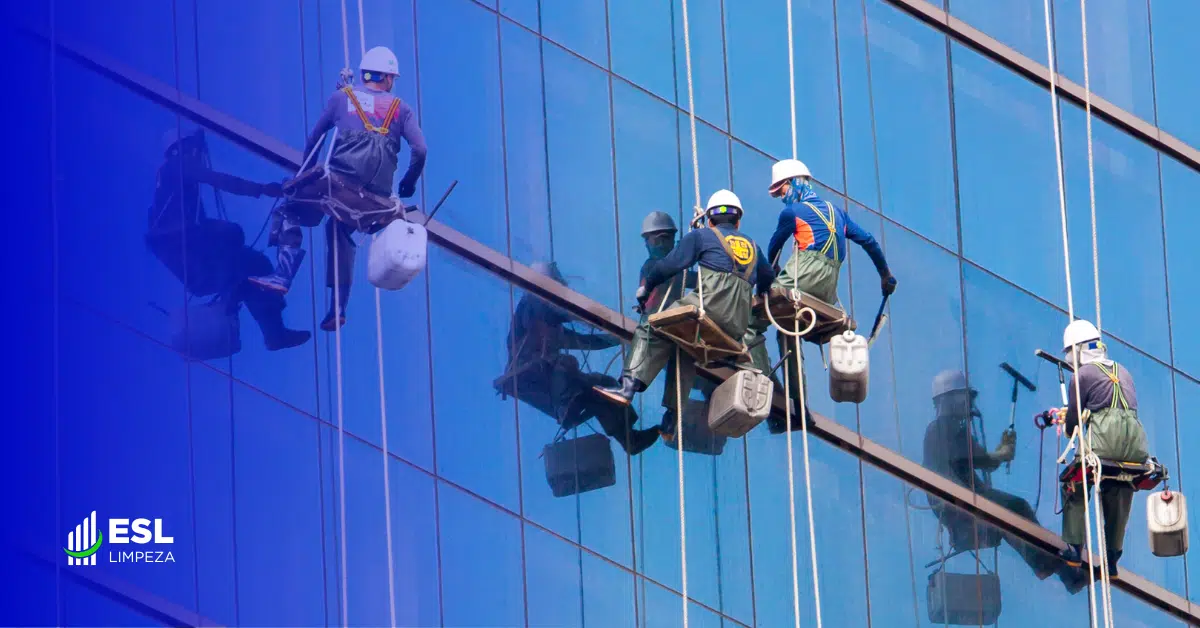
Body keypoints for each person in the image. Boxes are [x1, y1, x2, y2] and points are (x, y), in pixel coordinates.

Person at [250, 45, 428, 332]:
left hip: (338, 186)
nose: (392, 83)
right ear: (386, 78)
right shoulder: (401, 109)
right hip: (376, 201)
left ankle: (283, 276)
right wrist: (408, 183)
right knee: (340, 228)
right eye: (392, 78)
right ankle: (338, 308)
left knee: (289, 208)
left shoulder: (340, 99)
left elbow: (315, 140)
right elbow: (420, 149)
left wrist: (302, 176)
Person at [594, 190, 775, 434]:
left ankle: (628, 386)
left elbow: (669, 265)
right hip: (736, 327)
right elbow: (767, 280)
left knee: (652, 325)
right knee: (685, 347)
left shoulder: (701, 236)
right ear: (738, 221)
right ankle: (673, 414)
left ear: (710, 220)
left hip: (708, 309)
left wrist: (646, 288)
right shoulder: (754, 247)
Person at [747, 158, 896, 430]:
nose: (782, 198)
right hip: (827, 288)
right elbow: (869, 241)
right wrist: (885, 275)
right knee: (787, 329)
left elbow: (773, 247)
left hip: (802, 277)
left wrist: (767, 280)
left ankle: (771, 390)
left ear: (794, 183)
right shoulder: (838, 213)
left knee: (748, 322)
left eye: (781, 191)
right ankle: (799, 404)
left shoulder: (793, 212)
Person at [145, 126, 310, 351]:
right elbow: (220, 180)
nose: (198, 155)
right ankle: (271, 331)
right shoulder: (177, 167)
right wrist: (262, 189)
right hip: (193, 260)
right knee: (255, 263)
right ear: (181, 149)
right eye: (193, 149)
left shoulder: (172, 188)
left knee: (247, 268)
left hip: (192, 263)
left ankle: (245, 306)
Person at [498, 261, 660, 455]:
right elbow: (552, 311)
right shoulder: (531, 302)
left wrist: (621, 337)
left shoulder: (555, 331)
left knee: (604, 384)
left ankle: (630, 440)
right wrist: (591, 315)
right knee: (567, 363)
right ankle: (565, 407)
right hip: (531, 371)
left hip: (557, 382)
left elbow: (587, 342)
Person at [1055, 319, 1150, 578]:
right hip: (1136, 443)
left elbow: (1075, 418)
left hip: (1106, 440)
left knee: (1075, 480)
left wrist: (1067, 427)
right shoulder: (1124, 371)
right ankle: (1112, 560)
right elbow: (1115, 406)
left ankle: (1075, 548)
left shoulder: (1082, 375)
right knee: (1120, 488)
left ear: (1077, 350)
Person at [629, 211, 710, 439]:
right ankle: (632, 386)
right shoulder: (654, 266)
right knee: (679, 356)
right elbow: (685, 279)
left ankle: (672, 415)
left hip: (671, 325)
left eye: (664, 239)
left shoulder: (671, 267)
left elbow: (691, 279)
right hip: (659, 325)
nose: (660, 243)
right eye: (658, 239)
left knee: (683, 356)